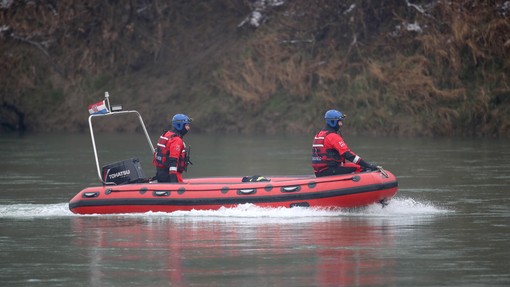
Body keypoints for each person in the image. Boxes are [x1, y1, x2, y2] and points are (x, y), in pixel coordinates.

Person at [312, 109, 378, 177]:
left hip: (319, 172)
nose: (341, 124)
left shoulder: (319, 135)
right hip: (330, 170)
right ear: (333, 122)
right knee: (361, 168)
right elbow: (348, 154)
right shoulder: (333, 137)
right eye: (339, 122)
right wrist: (368, 165)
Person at [152, 113, 192, 183]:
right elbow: (173, 161)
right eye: (186, 125)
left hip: (160, 174)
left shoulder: (166, 134)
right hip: (171, 177)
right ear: (180, 125)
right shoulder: (176, 140)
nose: (188, 128)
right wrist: (173, 183)